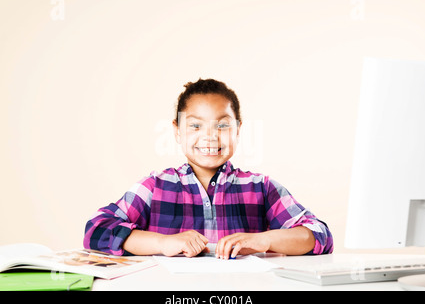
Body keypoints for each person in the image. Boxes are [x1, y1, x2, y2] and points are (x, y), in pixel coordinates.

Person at [83, 79, 333, 259]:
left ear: (238, 129)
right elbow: (96, 229)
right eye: (195, 126)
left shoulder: (260, 187)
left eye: (222, 126)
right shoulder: (155, 187)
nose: (210, 137)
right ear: (177, 131)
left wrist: (263, 240)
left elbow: (320, 234)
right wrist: (162, 242)